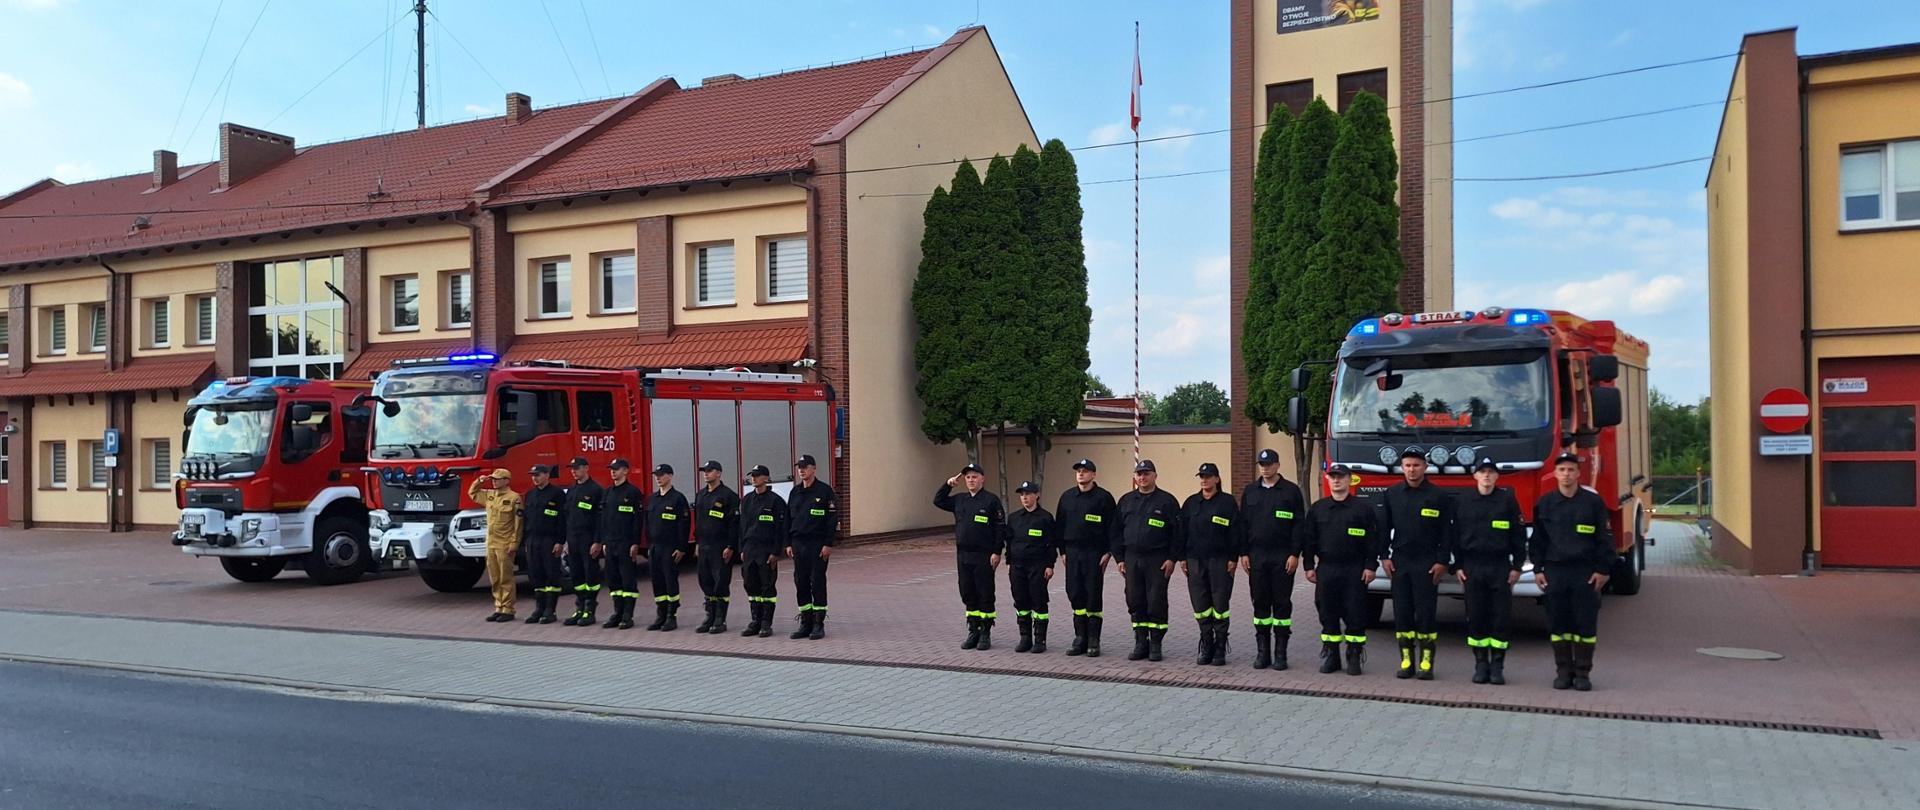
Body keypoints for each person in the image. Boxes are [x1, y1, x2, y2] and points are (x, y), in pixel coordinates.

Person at [1531, 453, 1614, 691]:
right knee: (1558, 624)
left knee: (1584, 625)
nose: (1566, 474)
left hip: (1584, 572)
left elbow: (1605, 538)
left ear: (1578, 474)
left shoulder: (1593, 503)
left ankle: (1583, 674)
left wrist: (1603, 569)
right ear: (1555, 474)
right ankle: (1563, 672)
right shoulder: (1545, 503)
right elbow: (1538, 540)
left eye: (1570, 470)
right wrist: (1538, 569)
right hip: (1555, 572)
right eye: (1562, 470)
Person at [1379, 448, 1455, 680]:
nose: (1412, 470)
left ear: (1425, 467)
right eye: (1408, 466)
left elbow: (1447, 533)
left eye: (1416, 465)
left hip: (1427, 565)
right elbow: (1383, 528)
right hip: (1400, 563)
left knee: (1425, 614)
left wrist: (1442, 561)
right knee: (1402, 613)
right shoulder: (1392, 494)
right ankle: (1406, 661)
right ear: (1402, 468)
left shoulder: (1439, 496)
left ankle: (1426, 662)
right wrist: (1384, 556)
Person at [1454, 458, 1527, 685]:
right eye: (1482, 472)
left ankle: (1497, 666)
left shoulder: (1507, 501)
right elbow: (1454, 535)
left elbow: (1518, 536)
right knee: (1476, 616)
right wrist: (1457, 566)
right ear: (1475, 476)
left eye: (1490, 472)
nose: (1486, 476)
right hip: (1472, 566)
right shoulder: (1464, 501)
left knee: (1500, 617)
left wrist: (1517, 566)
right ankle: (1480, 665)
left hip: (1500, 566)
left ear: (1497, 476)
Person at [1302, 464, 1380, 676]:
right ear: (1328, 480)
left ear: (1349, 480)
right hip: (1327, 568)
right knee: (1327, 612)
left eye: (1341, 477)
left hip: (1354, 569)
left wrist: (1370, 566)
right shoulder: (1318, 509)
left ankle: (1354, 655)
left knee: (1355, 612)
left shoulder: (1362, 509)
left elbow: (1373, 541)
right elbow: (1309, 540)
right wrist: (1308, 566)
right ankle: (1332, 655)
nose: (1336, 480)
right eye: (1333, 477)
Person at [1239, 448, 1305, 670]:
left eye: (1268, 464)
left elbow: (1298, 525)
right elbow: (1243, 524)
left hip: (1282, 557)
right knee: (1260, 602)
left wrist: (1295, 553)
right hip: (1257, 556)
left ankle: (1280, 654)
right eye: (1262, 465)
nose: (1265, 468)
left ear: (1277, 465)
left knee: (1282, 604)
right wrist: (1243, 553)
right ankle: (1263, 653)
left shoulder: (1291, 491)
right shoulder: (1250, 491)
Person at [1114, 459, 1183, 662]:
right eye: (1139, 474)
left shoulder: (1167, 501)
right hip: (1132, 558)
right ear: (1135, 477)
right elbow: (1115, 531)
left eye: (1146, 473)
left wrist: (1172, 558)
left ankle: (1156, 644)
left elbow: (1177, 533)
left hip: (1157, 559)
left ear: (1155, 476)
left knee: (1156, 600)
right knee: (1134, 599)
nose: (1142, 477)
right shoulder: (1126, 500)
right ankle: (1140, 642)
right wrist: (1119, 558)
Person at [935, 463, 1008, 651]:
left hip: (984, 555)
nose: (970, 480)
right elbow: (938, 501)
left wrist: (997, 551)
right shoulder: (960, 500)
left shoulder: (991, 501)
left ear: (982, 479)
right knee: (967, 592)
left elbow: (1000, 528)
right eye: (967, 477)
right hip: (963, 555)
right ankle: (973, 630)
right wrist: (948, 484)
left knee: (985, 593)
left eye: (974, 476)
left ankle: (985, 633)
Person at [1053, 458, 1117, 657]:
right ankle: (1080, 637)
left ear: (1093, 474)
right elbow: (1059, 526)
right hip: (1072, 552)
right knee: (1075, 593)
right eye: (1078, 471)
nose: (1081, 474)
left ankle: (1093, 639)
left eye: (1085, 471)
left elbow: (1113, 527)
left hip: (1094, 553)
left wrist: (1109, 552)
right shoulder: (1067, 497)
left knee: (1093, 594)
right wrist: (1062, 551)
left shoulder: (1103, 498)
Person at [1182, 462, 1242, 666]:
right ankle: (1206, 643)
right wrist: (1182, 557)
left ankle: (1220, 646)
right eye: (1201, 476)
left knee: (1220, 604)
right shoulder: (1191, 503)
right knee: (1200, 605)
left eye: (1208, 476)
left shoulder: (1227, 502)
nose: (1204, 480)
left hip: (1220, 561)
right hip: (1195, 561)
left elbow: (1235, 531)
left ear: (1217, 479)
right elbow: (1182, 531)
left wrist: (1233, 558)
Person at [786, 455, 837, 640]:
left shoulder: (825, 491)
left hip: (817, 544)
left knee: (817, 582)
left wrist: (828, 543)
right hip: (798, 544)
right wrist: (788, 543)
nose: (801, 470)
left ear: (814, 469)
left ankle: (818, 623)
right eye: (799, 467)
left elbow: (832, 519)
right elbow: (788, 519)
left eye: (805, 467)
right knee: (801, 582)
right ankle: (805, 622)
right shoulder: (795, 492)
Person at [1005, 480, 1059, 653]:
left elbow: (1052, 543)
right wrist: (1009, 562)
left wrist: (1050, 565)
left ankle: (1040, 640)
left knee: (1039, 601)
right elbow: (1009, 542)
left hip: (1038, 566)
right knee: (1020, 600)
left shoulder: (1045, 518)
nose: (1024, 497)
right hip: (1017, 566)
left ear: (1037, 495)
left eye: (1028, 494)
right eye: (1022, 495)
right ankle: (1025, 638)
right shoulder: (1014, 518)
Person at [737, 465, 787, 638]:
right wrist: (741, 548)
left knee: (767, 586)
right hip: (749, 550)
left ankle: (766, 622)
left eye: (757, 476)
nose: (754, 479)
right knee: (750, 585)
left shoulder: (776, 501)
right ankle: (755, 621)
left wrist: (776, 552)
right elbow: (742, 527)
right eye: (752, 476)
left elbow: (781, 529)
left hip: (766, 551)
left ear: (766, 478)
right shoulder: (746, 500)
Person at [467, 468, 523, 623]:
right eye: (493, 479)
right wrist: (479, 481)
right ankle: (499, 607)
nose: (494, 481)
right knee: (495, 577)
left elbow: (518, 523)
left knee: (506, 577)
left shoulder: (514, 498)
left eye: (497, 479)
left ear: (506, 480)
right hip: (491, 542)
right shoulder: (489, 495)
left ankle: (508, 609)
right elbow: (472, 493)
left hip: (505, 543)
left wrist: (514, 542)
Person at [692, 460, 740, 634]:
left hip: (720, 547)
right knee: (705, 581)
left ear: (718, 473)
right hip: (704, 546)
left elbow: (734, 524)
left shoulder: (729, 496)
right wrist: (697, 543)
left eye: (709, 471)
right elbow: (698, 521)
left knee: (720, 582)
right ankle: (710, 616)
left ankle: (720, 619)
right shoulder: (701, 495)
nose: (706, 474)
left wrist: (731, 546)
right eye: (704, 471)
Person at [598, 458, 645, 630]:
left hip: (626, 543)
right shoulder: (607, 492)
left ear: (626, 471)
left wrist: (635, 543)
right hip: (610, 543)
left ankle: (627, 615)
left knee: (627, 579)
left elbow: (637, 520)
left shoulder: (633, 492)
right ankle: (617, 612)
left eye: (616, 469)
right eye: (611, 469)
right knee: (613, 579)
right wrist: (604, 541)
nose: (613, 472)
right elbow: (603, 519)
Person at [643, 464, 691, 632]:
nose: (658, 478)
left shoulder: (678, 498)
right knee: (657, 582)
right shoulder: (653, 499)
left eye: (661, 475)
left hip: (670, 548)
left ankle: (672, 615)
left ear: (670, 476)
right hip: (655, 547)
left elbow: (684, 524)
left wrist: (681, 547)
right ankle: (661, 615)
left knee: (670, 581)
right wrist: (649, 545)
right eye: (656, 475)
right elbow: (647, 524)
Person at [520, 464, 568, 624]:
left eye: (538, 475)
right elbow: (526, 519)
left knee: (551, 574)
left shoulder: (557, 493)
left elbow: (562, 519)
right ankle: (539, 608)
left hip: (549, 539)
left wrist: (560, 541)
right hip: (533, 540)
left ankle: (550, 610)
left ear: (547, 475)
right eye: (533, 475)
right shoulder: (530, 494)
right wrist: (525, 540)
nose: (535, 478)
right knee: (536, 574)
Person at [561, 457, 604, 627]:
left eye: (577, 468)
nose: (573, 471)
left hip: (588, 539)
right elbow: (567, 517)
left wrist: (597, 541)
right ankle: (579, 608)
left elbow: (600, 518)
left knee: (590, 574)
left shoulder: (595, 490)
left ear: (586, 468)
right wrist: (566, 541)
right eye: (572, 468)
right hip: (573, 539)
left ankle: (590, 610)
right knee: (576, 575)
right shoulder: (571, 490)